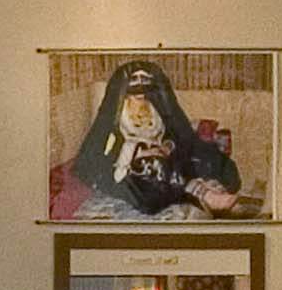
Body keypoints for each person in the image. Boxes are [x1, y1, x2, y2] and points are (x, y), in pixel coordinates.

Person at [64, 59, 246, 219]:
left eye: (145, 79)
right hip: (132, 163)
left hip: (161, 156)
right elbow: (108, 148)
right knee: (154, 170)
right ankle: (203, 194)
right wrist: (140, 152)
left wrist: (167, 146)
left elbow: (171, 134)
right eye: (134, 79)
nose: (140, 86)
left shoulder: (155, 107)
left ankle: (206, 192)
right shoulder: (119, 112)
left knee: (199, 158)